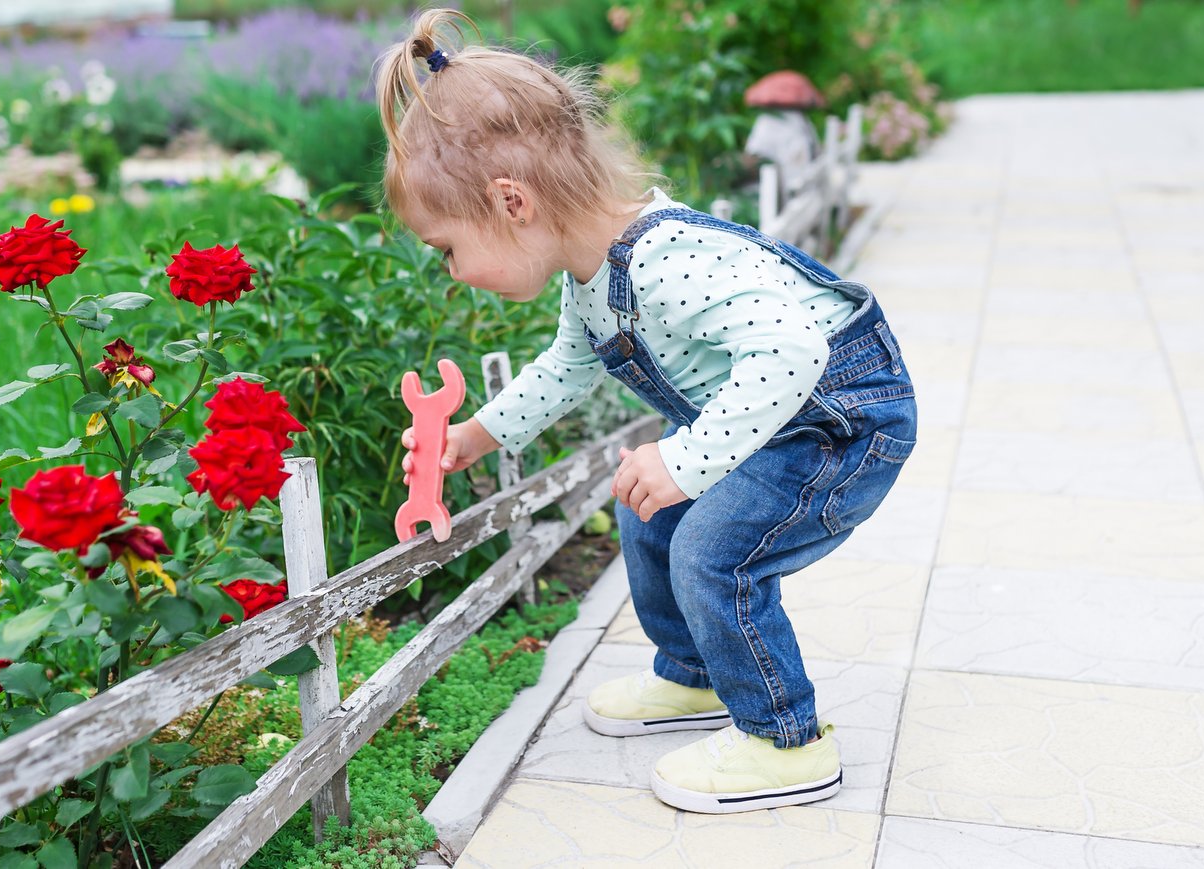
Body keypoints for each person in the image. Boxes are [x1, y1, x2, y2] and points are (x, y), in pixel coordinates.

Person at [385, 9, 916, 814]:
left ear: (512, 201)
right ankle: (695, 675)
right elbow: (565, 369)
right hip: (776, 418)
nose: (452, 272)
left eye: (447, 248)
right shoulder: (589, 276)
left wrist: (684, 459)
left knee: (713, 550)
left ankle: (785, 739)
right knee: (652, 514)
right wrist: (475, 435)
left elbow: (793, 349)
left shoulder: (666, 260)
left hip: (841, 421)